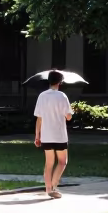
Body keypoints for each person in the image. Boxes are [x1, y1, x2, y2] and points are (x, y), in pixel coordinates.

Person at [34, 70, 73, 198]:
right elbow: (68, 117)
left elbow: (39, 118)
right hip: (59, 134)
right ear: (60, 82)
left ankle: (48, 189)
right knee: (62, 161)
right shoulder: (62, 96)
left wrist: (37, 136)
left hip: (46, 135)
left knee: (49, 163)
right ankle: (54, 186)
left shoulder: (42, 96)